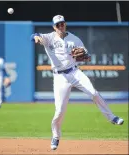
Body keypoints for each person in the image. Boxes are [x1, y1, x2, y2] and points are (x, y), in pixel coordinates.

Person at [30, 15, 124, 150]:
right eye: (58, 25)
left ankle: (112, 117)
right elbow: (34, 35)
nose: (60, 26)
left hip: (75, 72)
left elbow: (86, 56)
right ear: (54, 27)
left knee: (94, 92)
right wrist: (36, 37)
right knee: (59, 111)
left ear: (65, 24)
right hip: (60, 77)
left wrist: (85, 57)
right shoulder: (49, 37)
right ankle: (55, 136)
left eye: (62, 24)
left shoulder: (74, 39)